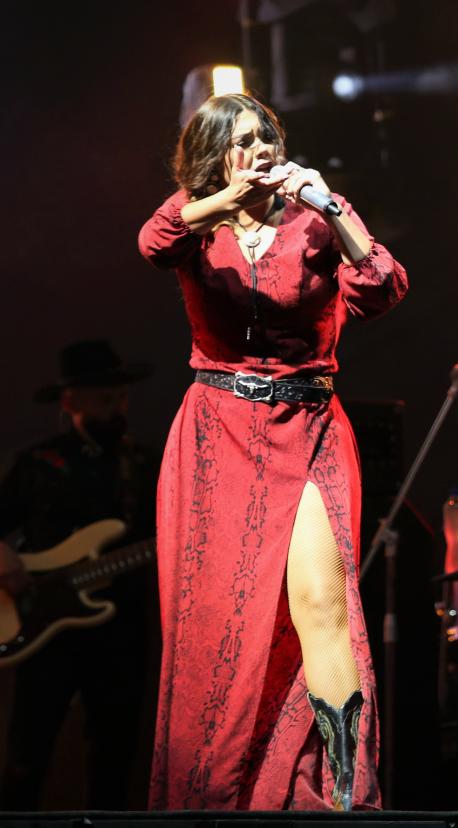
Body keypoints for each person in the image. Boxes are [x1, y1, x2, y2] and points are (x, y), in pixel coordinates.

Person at [137, 93, 409, 810]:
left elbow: (382, 289)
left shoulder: (315, 220)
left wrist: (335, 208)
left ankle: (345, 789)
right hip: (216, 435)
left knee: (322, 602)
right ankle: (218, 789)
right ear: (215, 158)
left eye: (267, 137)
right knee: (220, 616)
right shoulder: (197, 224)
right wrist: (220, 201)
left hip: (309, 427)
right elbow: (151, 242)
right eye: (243, 141)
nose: (260, 149)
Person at [0, 340, 157, 809]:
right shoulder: (38, 463)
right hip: (44, 623)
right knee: (28, 751)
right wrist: (7, 563)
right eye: (104, 396)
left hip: (121, 627)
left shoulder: (144, 464)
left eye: (121, 395)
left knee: (114, 756)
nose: (117, 405)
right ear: (71, 401)